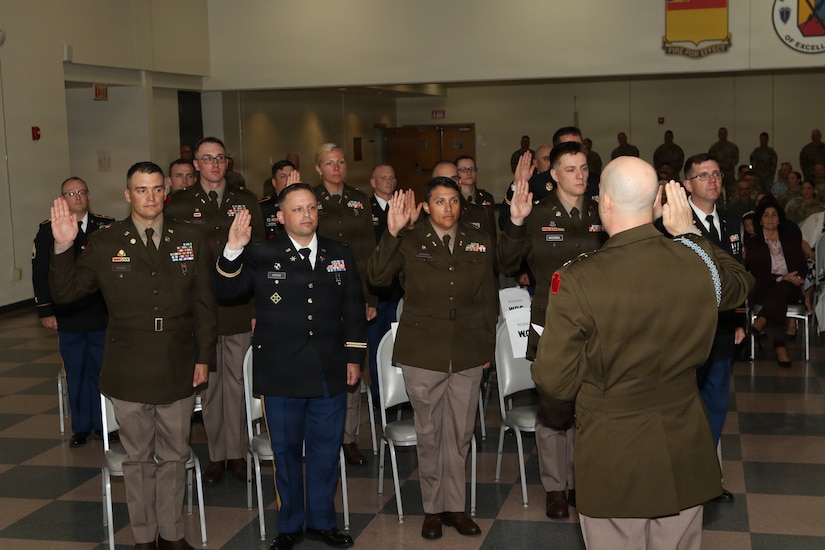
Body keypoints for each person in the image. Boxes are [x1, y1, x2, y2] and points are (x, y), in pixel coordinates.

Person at [532, 159, 753, 550]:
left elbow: (554, 381)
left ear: (604, 204)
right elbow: (739, 282)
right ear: (657, 204)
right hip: (684, 443)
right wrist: (690, 233)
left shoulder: (578, 279)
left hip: (614, 450)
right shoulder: (694, 264)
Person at [49, 161, 217, 550]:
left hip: (178, 363)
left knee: (175, 456)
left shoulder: (190, 238)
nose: (151, 197)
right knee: (138, 460)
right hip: (128, 367)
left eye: (157, 188)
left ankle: (172, 533)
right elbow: (67, 293)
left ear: (166, 193)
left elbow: (206, 306)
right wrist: (63, 246)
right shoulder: (107, 242)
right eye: (141, 189)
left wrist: (203, 357)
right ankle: (144, 537)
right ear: (128, 195)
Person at [214, 183, 364, 550]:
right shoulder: (262, 253)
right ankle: (290, 525)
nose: (307, 215)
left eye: (312, 207)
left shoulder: (339, 252)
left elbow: (354, 308)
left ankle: (323, 522)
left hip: (329, 369)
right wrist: (233, 249)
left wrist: (355, 356)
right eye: (297, 209)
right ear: (280, 217)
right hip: (281, 371)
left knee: (325, 452)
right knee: (285, 453)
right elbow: (226, 291)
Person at [367, 177, 496, 541]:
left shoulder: (478, 239)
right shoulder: (409, 240)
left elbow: (488, 296)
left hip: (468, 349)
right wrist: (390, 232)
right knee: (430, 433)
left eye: (454, 201)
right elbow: (376, 277)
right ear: (426, 206)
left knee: (459, 433)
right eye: (440, 201)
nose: (448, 209)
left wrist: (487, 346)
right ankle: (432, 510)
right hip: (423, 351)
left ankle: (455, 507)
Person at [498, 141, 607, 520]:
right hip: (550, 321)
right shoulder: (537, 211)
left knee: (587, 406)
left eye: (584, 168)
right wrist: (514, 221)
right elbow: (508, 261)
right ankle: (555, 488)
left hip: (596, 322)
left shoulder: (601, 212)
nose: (581, 176)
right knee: (553, 408)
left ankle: (579, 481)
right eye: (572, 169)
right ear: (555, 174)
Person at [165, 136, 265, 484]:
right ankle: (217, 456)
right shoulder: (177, 205)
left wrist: (256, 305)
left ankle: (236, 452)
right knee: (208, 385)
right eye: (207, 159)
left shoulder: (246, 201)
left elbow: (259, 257)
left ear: (228, 162)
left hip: (237, 306)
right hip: (198, 308)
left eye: (221, 158)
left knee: (236, 382)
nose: (215, 164)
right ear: (195, 165)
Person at [679, 153, 746, 501]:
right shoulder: (674, 222)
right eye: (703, 175)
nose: (713, 180)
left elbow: (739, 271)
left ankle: (705, 477)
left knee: (716, 404)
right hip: (688, 331)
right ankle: (685, 478)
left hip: (721, 327)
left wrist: (739, 318)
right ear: (687, 184)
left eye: (717, 174)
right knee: (687, 405)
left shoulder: (733, 222)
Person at [32, 177, 113, 447]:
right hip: (68, 314)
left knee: (103, 370)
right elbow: (41, 272)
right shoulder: (48, 230)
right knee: (76, 371)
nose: (76, 196)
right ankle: (81, 427)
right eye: (70, 193)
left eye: (81, 192)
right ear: (62, 198)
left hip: (101, 312)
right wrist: (45, 310)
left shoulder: (107, 226)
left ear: (89, 196)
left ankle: (106, 424)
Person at [312, 143, 376, 467]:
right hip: (319, 297)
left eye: (340, 162)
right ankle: (322, 437)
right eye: (329, 163)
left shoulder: (359, 199)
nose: (337, 168)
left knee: (354, 366)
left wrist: (370, 297)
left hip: (351, 295)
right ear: (318, 169)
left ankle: (349, 439)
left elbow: (367, 252)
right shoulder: (310, 200)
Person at [746, 199, 807, 368]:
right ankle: (780, 348)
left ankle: (762, 319)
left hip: (791, 287)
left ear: (779, 218)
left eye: (774, 215)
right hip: (765, 286)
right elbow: (757, 272)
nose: (770, 219)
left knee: (783, 288)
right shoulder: (754, 242)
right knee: (779, 297)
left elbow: (802, 265)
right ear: (760, 219)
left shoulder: (790, 240)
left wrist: (796, 277)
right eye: (766, 215)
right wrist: (781, 278)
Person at [366, 164, 404, 401]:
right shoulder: (364, 210)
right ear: (373, 182)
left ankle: (401, 394)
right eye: (383, 178)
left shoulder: (402, 210)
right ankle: (379, 397)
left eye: (392, 177)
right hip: (375, 293)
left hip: (400, 290)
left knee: (399, 347)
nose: (389, 181)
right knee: (376, 347)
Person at [455, 155, 496, 231]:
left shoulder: (486, 197)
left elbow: (491, 229)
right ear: (456, 173)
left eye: (472, 169)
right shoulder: (454, 199)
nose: (469, 173)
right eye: (463, 170)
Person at [259, 159, 298, 240]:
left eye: (291, 175)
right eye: (283, 176)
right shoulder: (264, 207)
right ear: (274, 182)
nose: (288, 180)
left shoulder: (307, 203)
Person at [709, 126, 739, 195]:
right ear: (718, 134)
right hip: (718, 173)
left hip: (730, 174)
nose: (723, 135)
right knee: (716, 192)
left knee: (731, 193)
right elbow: (711, 160)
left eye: (724, 133)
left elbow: (736, 158)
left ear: (727, 134)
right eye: (721, 133)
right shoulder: (714, 148)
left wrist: (729, 164)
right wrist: (720, 165)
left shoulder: (732, 147)